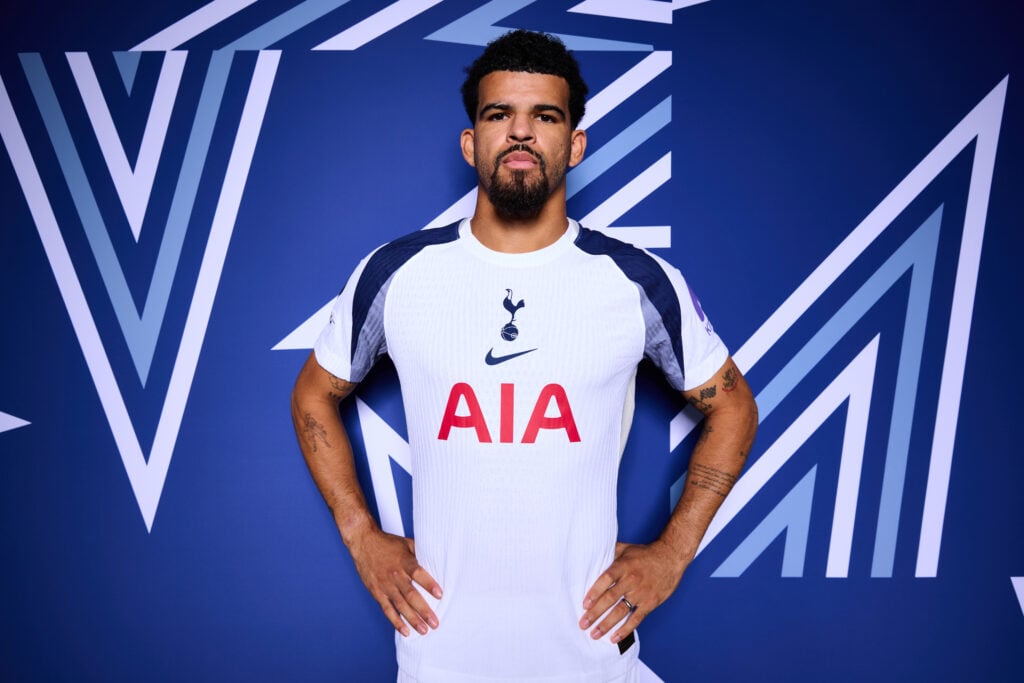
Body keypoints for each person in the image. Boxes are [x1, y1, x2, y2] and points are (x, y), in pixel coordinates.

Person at [291, 29, 758, 683]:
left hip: (592, 662)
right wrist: (360, 535)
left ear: (575, 144)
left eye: (545, 116)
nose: (520, 133)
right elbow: (313, 392)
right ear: (470, 142)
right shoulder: (398, 273)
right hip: (441, 660)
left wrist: (673, 553)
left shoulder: (635, 281)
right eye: (497, 115)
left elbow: (733, 406)